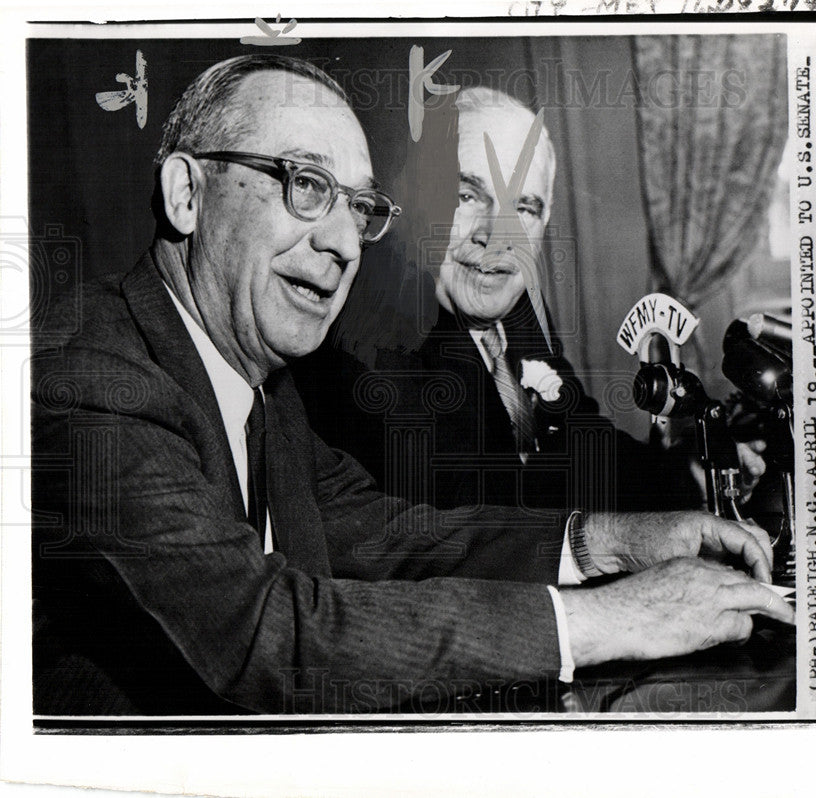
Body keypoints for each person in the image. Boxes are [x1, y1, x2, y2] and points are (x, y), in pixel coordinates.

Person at [31, 55, 792, 716]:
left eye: (358, 208)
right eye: (304, 184)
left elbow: (394, 537)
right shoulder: (92, 376)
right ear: (187, 195)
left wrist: (604, 545)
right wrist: (604, 622)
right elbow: (267, 636)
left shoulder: (260, 381)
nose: (339, 242)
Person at [297, 87, 763, 513]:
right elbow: (469, 505)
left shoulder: (513, 305)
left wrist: (686, 474)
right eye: (466, 195)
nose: (497, 238)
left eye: (523, 208)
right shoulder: (376, 330)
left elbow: (582, 442)